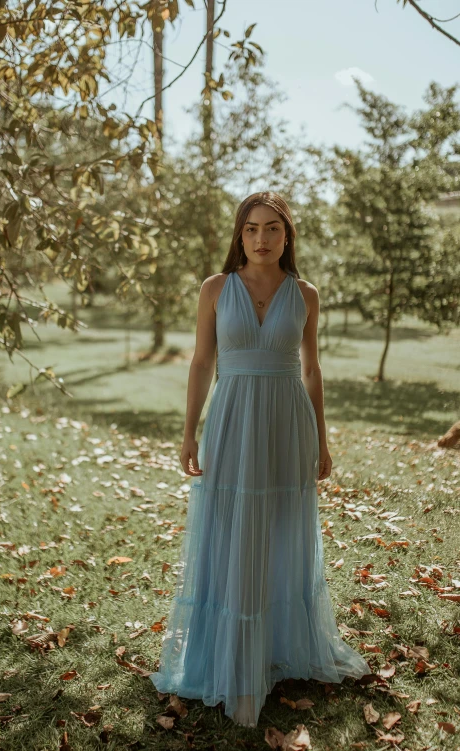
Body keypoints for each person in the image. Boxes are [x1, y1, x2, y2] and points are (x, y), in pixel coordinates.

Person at [149, 191, 371, 727]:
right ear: (239, 235)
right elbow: (202, 362)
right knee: (233, 531)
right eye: (250, 229)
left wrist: (322, 438)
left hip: (286, 422)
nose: (261, 239)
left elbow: (312, 371)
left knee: (279, 532)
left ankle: (274, 650)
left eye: (272, 228)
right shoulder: (215, 289)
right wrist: (188, 434)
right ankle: (234, 665)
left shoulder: (307, 295)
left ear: (287, 234)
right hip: (230, 421)